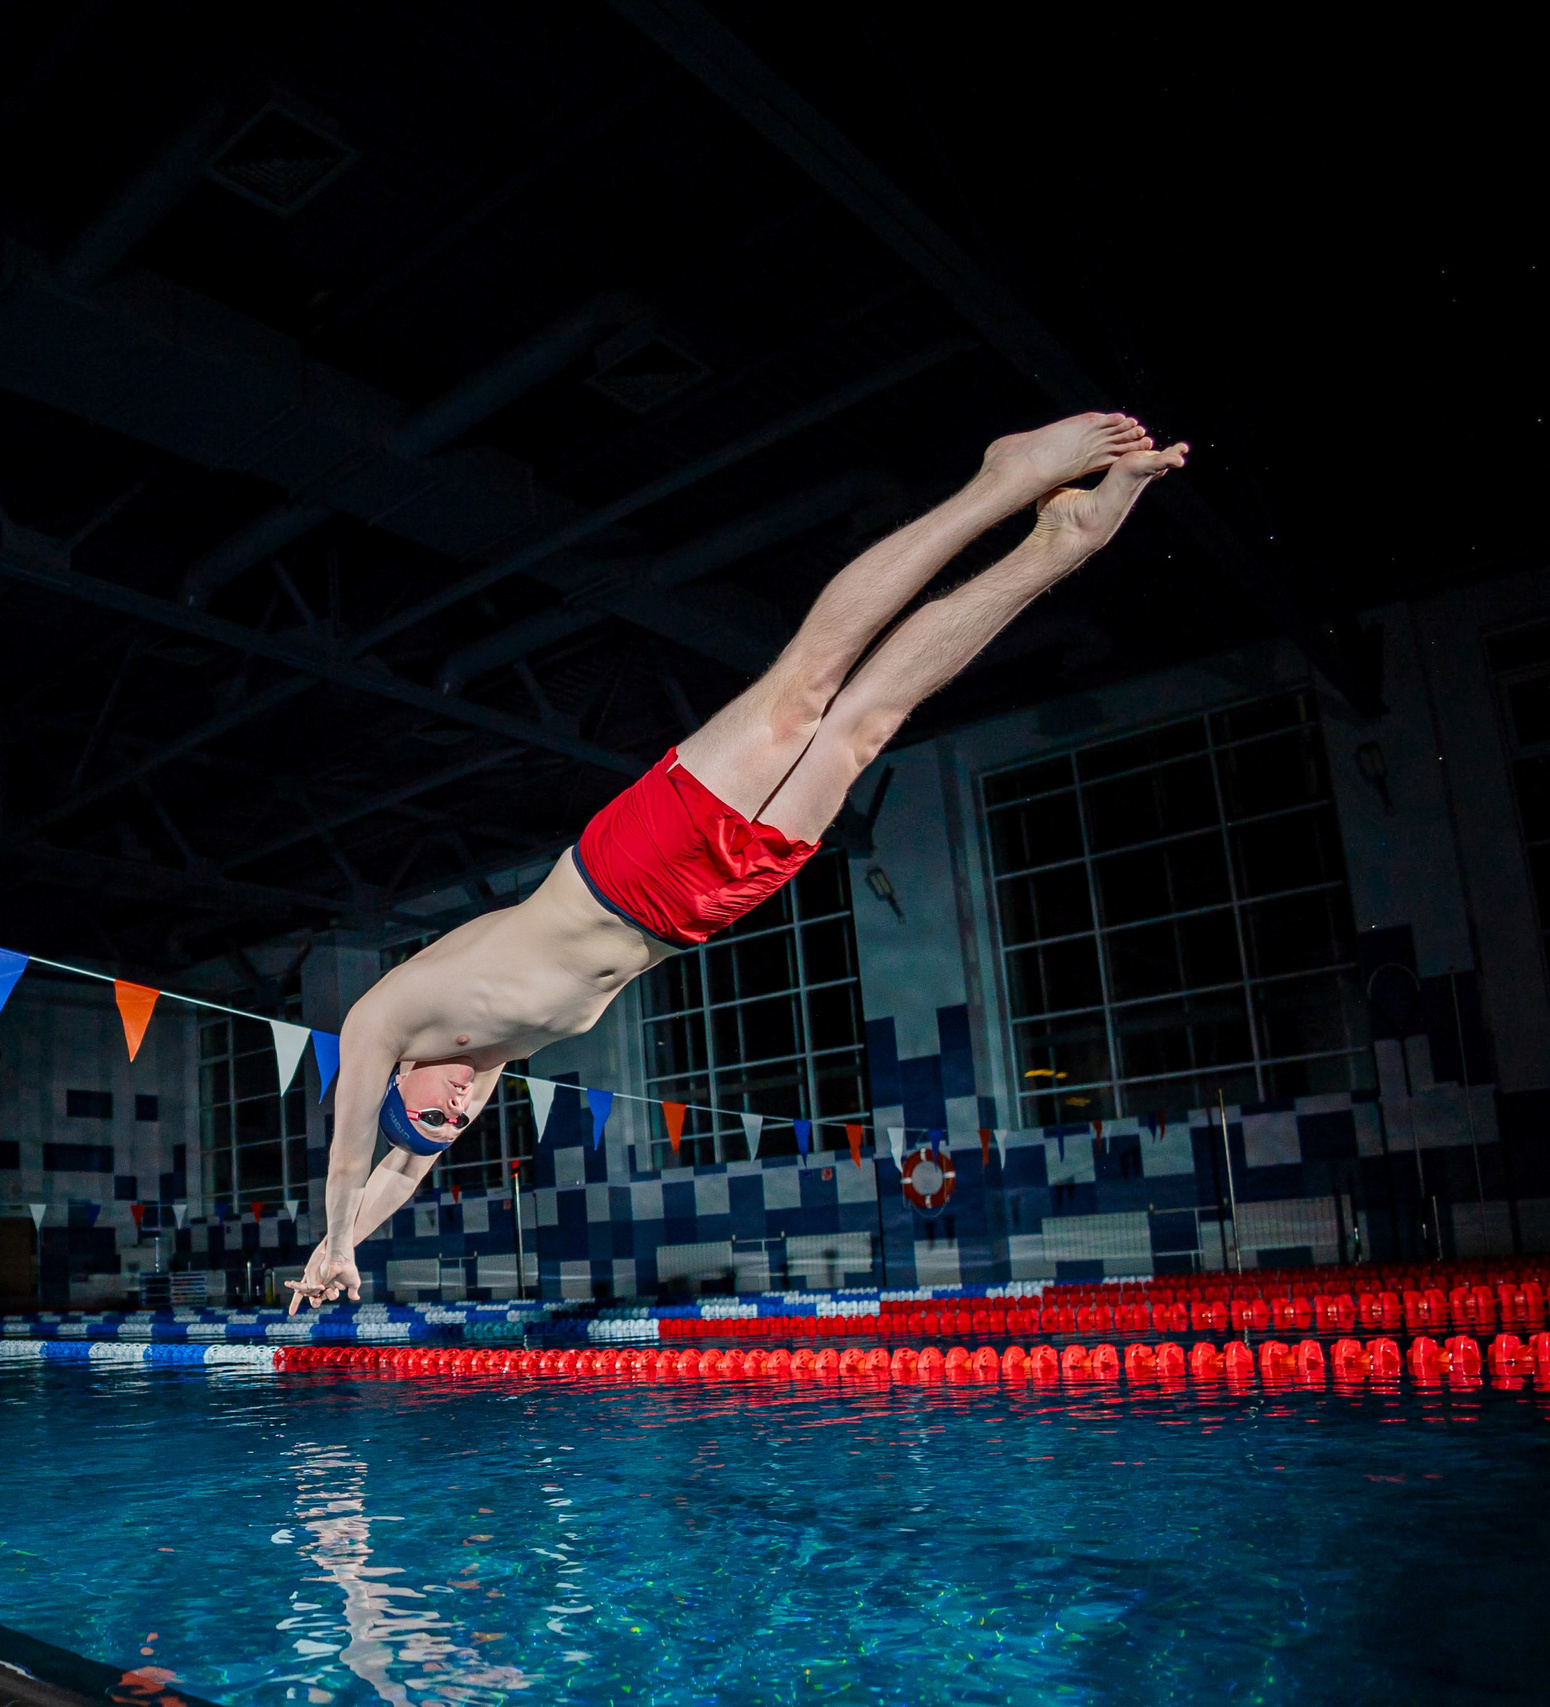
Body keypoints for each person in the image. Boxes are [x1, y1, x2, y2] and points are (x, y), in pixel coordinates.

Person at [288, 412, 1187, 1312]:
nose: (458, 1107)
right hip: (697, 914)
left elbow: (359, 1157)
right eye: (453, 1124)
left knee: (803, 691)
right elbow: (400, 1176)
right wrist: (353, 1247)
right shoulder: (473, 1070)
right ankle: (1058, 542)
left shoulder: (386, 1018)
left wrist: (331, 1240)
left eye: (433, 1109)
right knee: (863, 729)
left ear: (397, 1077)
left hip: (624, 867)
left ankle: (1001, 479)